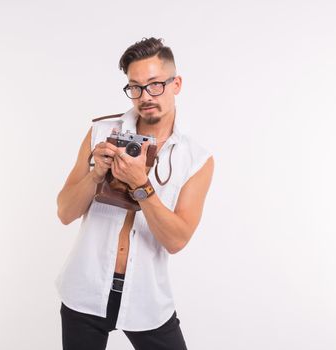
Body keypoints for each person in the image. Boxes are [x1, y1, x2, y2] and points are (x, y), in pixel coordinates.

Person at [56, 37, 214, 350]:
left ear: (176, 84)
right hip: (85, 290)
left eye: (155, 84)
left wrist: (141, 185)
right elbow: (65, 213)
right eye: (135, 87)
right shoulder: (103, 132)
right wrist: (96, 174)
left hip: (147, 299)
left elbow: (176, 240)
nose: (145, 96)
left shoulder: (195, 159)